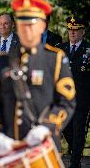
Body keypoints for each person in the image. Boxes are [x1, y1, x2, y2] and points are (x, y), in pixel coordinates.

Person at [0, 0, 76, 158]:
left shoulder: (55, 59)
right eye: (22, 24)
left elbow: (67, 102)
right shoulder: (5, 60)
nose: (26, 30)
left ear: (42, 27)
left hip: (44, 146)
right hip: (11, 145)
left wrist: (46, 127)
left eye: (31, 25)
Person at [58, 16, 90, 168]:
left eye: (76, 30)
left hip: (81, 99)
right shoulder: (61, 49)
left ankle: (75, 162)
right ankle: (76, 152)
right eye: (70, 29)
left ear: (82, 32)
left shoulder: (88, 50)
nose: (72, 32)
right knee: (64, 128)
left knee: (78, 131)